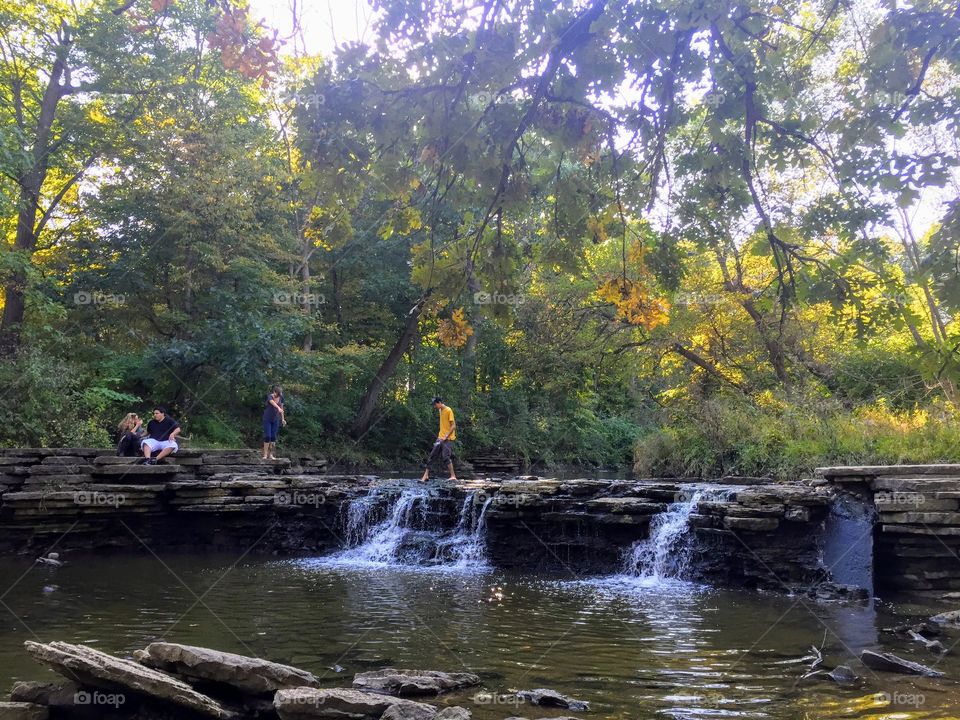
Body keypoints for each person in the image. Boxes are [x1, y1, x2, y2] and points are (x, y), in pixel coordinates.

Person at [420, 396, 457, 482]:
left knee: (445, 457)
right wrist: (442, 437)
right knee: (432, 455)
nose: (435, 406)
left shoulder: (448, 410)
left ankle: (453, 476)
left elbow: (453, 426)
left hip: (448, 438)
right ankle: (425, 476)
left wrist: (446, 436)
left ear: (439, 402)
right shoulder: (440, 410)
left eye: (435, 404)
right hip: (440, 438)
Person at [262, 384, 286, 460]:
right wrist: (278, 408)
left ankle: (271, 454)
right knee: (268, 436)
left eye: (279, 394)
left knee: (273, 437)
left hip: (276, 420)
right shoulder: (270, 396)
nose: (278, 395)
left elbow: (282, 409)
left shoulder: (281, 397)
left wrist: (282, 419)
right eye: (277, 394)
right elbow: (273, 403)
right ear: (274, 392)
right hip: (267, 419)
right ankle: (265, 455)